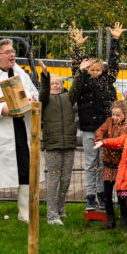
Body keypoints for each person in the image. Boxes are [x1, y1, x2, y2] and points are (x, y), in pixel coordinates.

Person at [0, 38, 39, 224]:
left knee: (25, 170)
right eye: (8, 52)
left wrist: (31, 98)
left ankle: (24, 213)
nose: (12, 55)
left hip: (21, 129)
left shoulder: (22, 75)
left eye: (13, 52)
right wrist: (1, 110)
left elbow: (33, 92)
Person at [69, 22, 123, 211]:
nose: (94, 72)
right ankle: (90, 196)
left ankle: (102, 194)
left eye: (97, 70)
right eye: (91, 70)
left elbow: (115, 63)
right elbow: (77, 69)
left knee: (104, 163)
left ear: (103, 71)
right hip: (88, 129)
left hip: (107, 129)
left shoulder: (108, 80)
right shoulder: (82, 80)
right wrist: (78, 47)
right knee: (90, 163)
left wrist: (115, 40)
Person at [39, 60, 77, 226]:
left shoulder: (68, 98)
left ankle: (61, 209)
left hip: (68, 144)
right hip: (52, 145)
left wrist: (80, 73)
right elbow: (44, 91)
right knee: (54, 180)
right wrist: (46, 76)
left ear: (62, 85)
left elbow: (76, 89)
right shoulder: (45, 100)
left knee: (66, 179)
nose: (55, 85)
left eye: (57, 83)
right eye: (52, 83)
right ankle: (51, 215)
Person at [95, 100, 127, 229]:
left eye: (118, 115)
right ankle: (110, 219)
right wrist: (99, 139)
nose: (115, 118)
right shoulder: (109, 121)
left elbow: (119, 142)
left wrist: (106, 143)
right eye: (113, 115)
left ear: (125, 115)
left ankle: (125, 220)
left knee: (122, 194)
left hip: (120, 165)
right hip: (107, 164)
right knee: (107, 194)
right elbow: (100, 130)